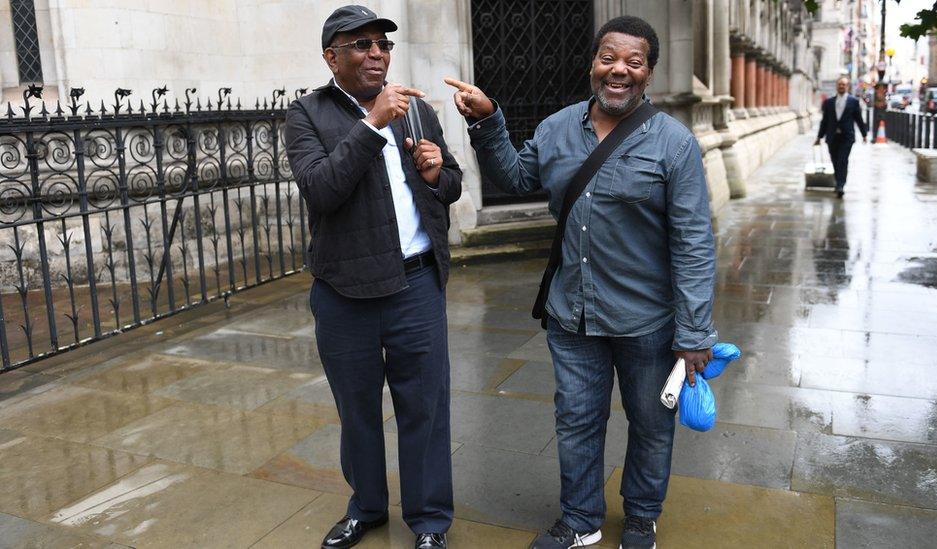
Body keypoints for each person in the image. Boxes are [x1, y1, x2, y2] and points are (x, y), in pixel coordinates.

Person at [446, 15, 717, 549]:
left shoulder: (675, 144)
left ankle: (641, 518)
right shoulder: (556, 128)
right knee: (575, 421)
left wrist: (695, 332)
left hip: (648, 322)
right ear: (592, 64)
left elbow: (694, 243)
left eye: (633, 62)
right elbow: (518, 177)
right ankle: (580, 519)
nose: (619, 70)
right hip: (573, 315)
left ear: (649, 73)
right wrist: (487, 121)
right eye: (608, 58)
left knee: (651, 426)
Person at [284, 5, 461, 549]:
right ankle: (366, 506)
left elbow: (449, 182)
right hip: (345, 294)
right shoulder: (307, 114)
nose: (376, 54)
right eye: (360, 45)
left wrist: (437, 174)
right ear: (330, 57)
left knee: (425, 408)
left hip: (416, 286)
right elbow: (321, 189)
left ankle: (429, 521)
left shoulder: (415, 110)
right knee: (357, 410)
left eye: (381, 45)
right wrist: (371, 125)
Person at [814, 76, 868, 198]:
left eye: (843, 84)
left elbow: (858, 119)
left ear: (847, 86)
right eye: (839, 84)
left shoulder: (853, 102)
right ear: (836, 86)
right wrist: (819, 137)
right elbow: (825, 121)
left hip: (847, 137)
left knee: (843, 160)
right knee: (834, 160)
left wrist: (864, 134)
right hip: (832, 137)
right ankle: (838, 181)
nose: (841, 86)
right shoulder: (828, 102)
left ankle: (840, 185)